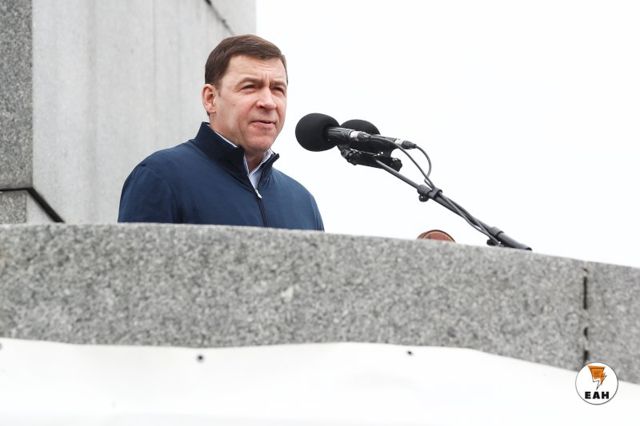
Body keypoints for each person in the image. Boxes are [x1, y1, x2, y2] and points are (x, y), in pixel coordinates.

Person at [118, 35, 323, 230]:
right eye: (250, 87)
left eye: (278, 89)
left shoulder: (303, 202)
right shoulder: (161, 176)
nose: (268, 102)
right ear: (210, 99)